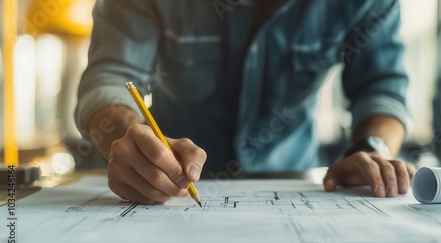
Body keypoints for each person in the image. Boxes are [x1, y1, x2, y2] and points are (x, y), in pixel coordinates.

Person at [75, 0, 415, 204]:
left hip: (298, 186)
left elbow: (381, 87)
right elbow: (109, 77)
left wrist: (373, 148)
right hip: (169, 189)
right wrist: (126, 135)